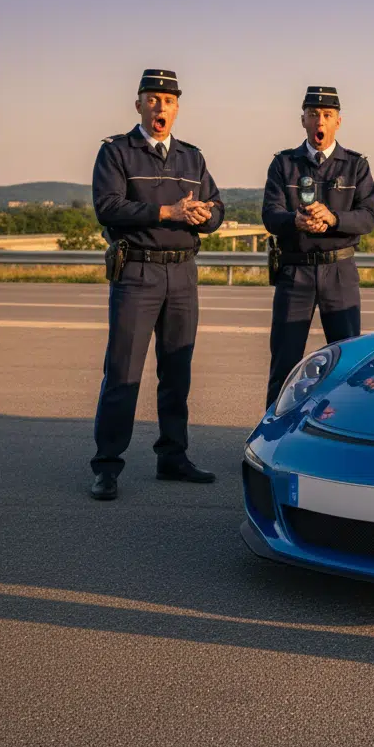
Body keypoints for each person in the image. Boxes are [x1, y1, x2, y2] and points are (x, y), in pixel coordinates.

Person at [88, 69, 225, 501]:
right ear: (139, 105)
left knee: (177, 371)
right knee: (123, 372)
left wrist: (208, 217)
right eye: (152, 99)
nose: (159, 107)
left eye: (167, 100)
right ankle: (107, 466)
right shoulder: (116, 153)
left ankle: (173, 456)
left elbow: (218, 206)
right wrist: (167, 213)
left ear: (177, 107)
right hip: (138, 273)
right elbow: (107, 207)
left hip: (183, 273)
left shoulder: (191, 157)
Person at [262, 86, 374, 408]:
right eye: (313, 115)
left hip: (339, 272)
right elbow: (270, 215)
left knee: (348, 365)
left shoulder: (355, 166)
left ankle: (346, 436)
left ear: (338, 121)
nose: (319, 121)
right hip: (294, 272)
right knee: (284, 365)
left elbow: (368, 219)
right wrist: (294, 221)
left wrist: (334, 217)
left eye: (327, 115)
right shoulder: (284, 164)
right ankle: (271, 440)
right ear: (303, 120)